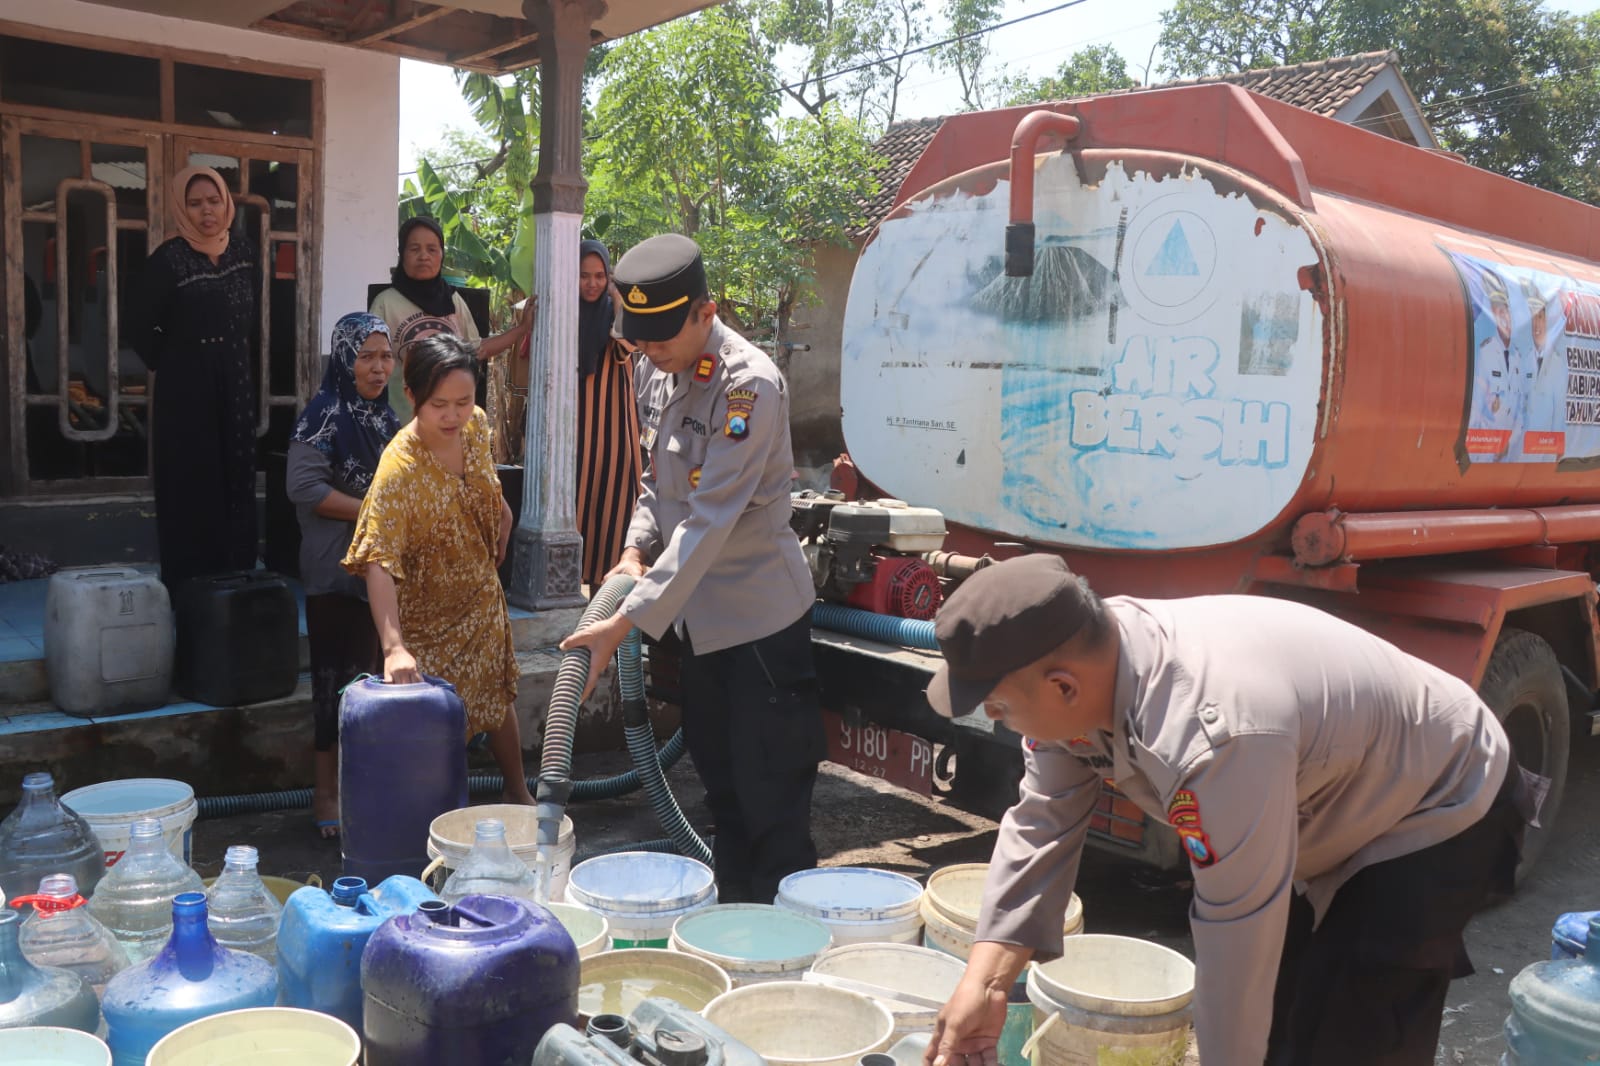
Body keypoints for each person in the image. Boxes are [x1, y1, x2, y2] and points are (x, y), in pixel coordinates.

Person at [921, 554, 1533, 1066]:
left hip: (1435, 799)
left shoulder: (1213, 736)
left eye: (998, 708)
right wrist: (985, 983)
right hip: (1321, 799)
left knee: (1354, 1030)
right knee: (1280, 1018)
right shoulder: (1087, 666)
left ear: (1062, 686)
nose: (998, 721)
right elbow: (1041, 822)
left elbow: (1236, 936)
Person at [560, 234, 821, 903]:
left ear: (706, 312)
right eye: (640, 338)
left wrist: (623, 621)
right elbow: (658, 484)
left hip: (760, 630)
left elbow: (708, 519)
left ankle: (788, 943)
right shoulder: (657, 367)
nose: (649, 350)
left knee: (772, 810)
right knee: (723, 797)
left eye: (661, 336)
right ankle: (736, 928)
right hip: (700, 629)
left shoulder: (748, 386)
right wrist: (632, 550)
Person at [342, 334, 535, 805]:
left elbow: (485, 481)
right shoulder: (399, 469)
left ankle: (518, 792)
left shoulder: (476, 426)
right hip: (427, 624)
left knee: (496, 696)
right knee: (430, 734)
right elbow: (378, 561)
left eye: (463, 402)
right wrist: (394, 648)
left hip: (481, 600)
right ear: (411, 396)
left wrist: (503, 514)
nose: (453, 416)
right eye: (439, 405)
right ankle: (433, 820)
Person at [287, 312, 399, 837]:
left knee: (370, 678)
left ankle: (363, 786)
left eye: (386, 356)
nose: (378, 368)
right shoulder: (323, 414)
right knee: (332, 682)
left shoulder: (386, 418)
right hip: (334, 567)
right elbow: (303, 488)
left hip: (379, 568)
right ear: (344, 358)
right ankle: (325, 793)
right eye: (366, 356)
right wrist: (370, 510)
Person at [133, 166, 259, 594]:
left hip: (235, 381)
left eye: (213, 201)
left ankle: (236, 582)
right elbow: (139, 325)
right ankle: (191, 591)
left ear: (226, 203)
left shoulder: (244, 253)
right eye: (194, 203)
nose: (206, 211)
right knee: (191, 480)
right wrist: (175, 360)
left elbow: (250, 317)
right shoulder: (167, 260)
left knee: (236, 474)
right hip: (185, 389)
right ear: (181, 209)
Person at [369, 216, 532, 422]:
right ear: (402, 254)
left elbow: (478, 349)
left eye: (432, 249)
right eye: (414, 249)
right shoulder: (385, 303)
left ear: (441, 255)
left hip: (450, 424)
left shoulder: (454, 300)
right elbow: (372, 362)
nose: (423, 256)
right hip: (402, 424)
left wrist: (523, 328)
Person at [575, 238, 643, 588]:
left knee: (613, 516)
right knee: (575, 510)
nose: (592, 283)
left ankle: (604, 603)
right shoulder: (565, 315)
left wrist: (618, 298)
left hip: (614, 434)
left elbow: (629, 343)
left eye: (600, 276)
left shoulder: (615, 313)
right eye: (584, 275)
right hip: (575, 434)